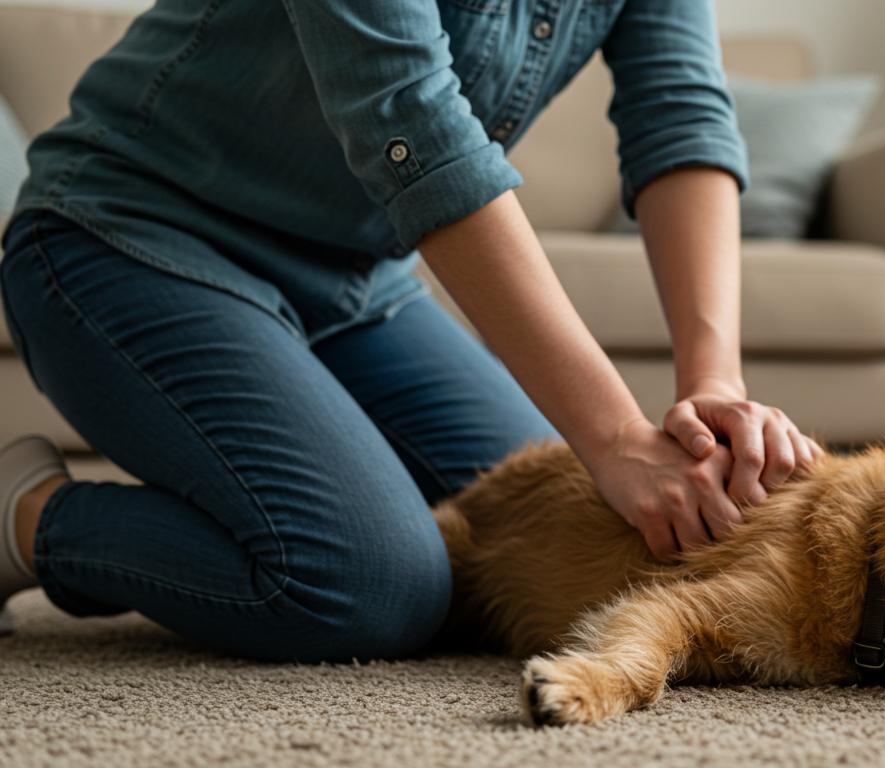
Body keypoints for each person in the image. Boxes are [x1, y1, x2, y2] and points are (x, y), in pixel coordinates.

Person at [0, 0, 820, 659]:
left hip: (356, 284)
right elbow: (413, 124)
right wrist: (613, 437)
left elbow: (679, 115)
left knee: (543, 541)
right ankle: (27, 518)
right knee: (371, 588)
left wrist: (715, 383)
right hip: (130, 236)